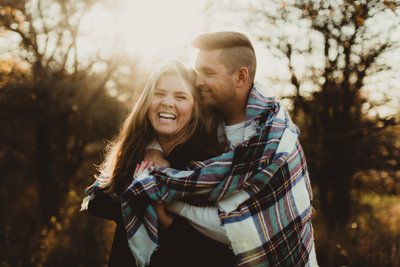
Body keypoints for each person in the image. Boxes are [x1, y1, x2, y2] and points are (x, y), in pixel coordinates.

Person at [141, 31, 319, 266]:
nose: (197, 81)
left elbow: (241, 230)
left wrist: (166, 197)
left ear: (241, 77)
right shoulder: (207, 120)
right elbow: (164, 119)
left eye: (208, 72)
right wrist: (154, 150)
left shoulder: (277, 140)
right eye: (197, 72)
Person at [80, 59, 235, 267]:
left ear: (195, 108)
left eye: (180, 96)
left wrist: (161, 211)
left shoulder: (205, 163)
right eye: (159, 94)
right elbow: (100, 201)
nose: (167, 102)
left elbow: (216, 253)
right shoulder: (136, 149)